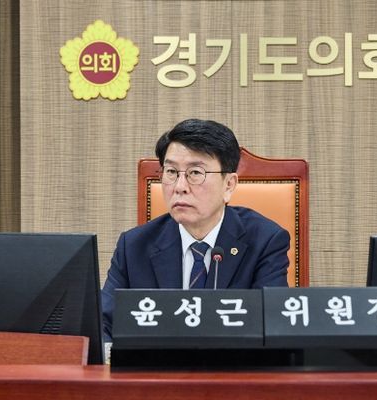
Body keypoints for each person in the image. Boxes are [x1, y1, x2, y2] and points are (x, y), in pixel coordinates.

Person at [101, 119, 290, 340]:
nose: (180, 187)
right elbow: (104, 326)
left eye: (195, 173)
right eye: (171, 172)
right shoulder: (133, 246)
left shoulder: (265, 241)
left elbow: (272, 327)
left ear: (229, 185)